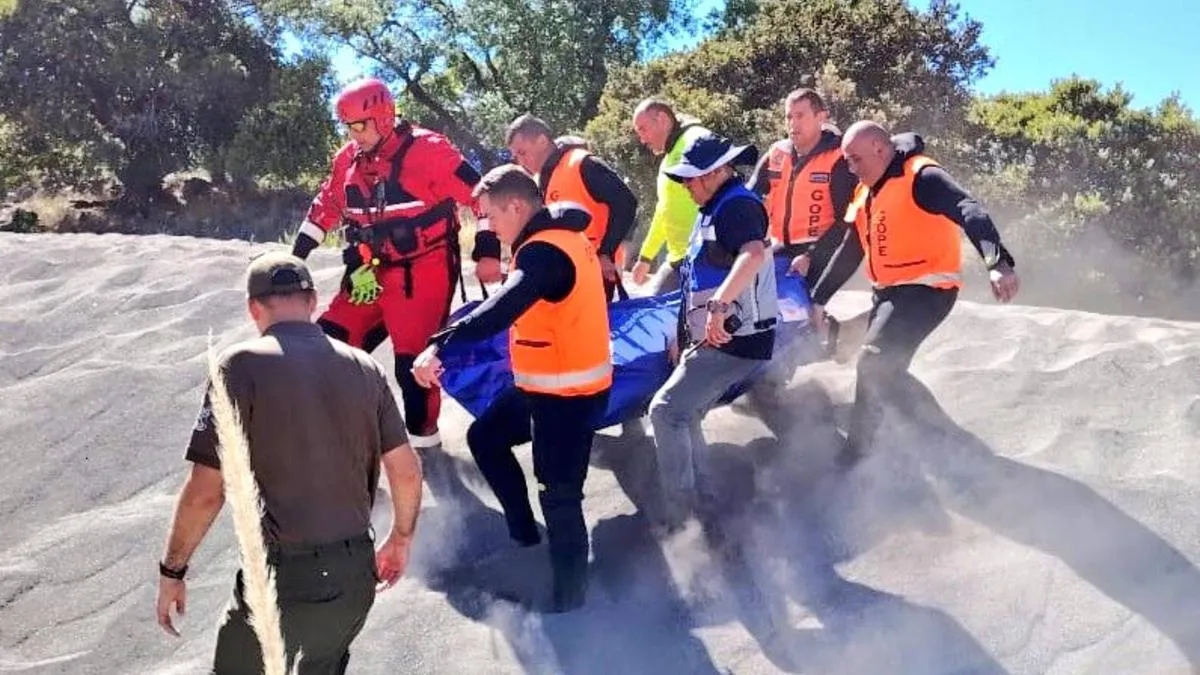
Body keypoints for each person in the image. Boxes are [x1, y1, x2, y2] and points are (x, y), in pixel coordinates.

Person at [155, 252, 423, 674]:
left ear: (253, 308)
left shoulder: (238, 367)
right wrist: (401, 537)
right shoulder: (366, 367)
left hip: (283, 578)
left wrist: (173, 569)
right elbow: (406, 469)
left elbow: (207, 492)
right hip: (354, 573)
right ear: (313, 301)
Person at [411, 165, 612, 613]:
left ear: (517, 206)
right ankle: (524, 534)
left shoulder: (544, 253)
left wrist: (440, 344)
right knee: (486, 436)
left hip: (569, 397)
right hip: (546, 387)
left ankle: (571, 603)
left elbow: (503, 308)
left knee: (560, 497)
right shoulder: (552, 238)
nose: (488, 228)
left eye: (490, 217)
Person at [288, 77, 502, 480]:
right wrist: (295, 257)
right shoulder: (348, 160)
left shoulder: (430, 151)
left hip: (424, 270)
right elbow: (326, 206)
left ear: (384, 118)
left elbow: (482, 194)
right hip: (370, 272)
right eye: (347, 127)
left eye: (359, 125)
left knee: (414, 367)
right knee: (324, 344)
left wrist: (488, 249)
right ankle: (343, 440)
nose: (353, 135)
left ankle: (429, 453)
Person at [804, 120, 1021, 466]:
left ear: (879, 148)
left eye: (856, 159)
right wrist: (819, 297)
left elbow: (970, 209)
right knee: (886, 369)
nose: (851, 168)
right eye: (847, 160)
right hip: (887, 294)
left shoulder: (921, 176)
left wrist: (997, 262)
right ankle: (941, 436)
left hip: (928, 290)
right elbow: (851, 251)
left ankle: (858, 456)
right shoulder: (866, 192)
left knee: (874, 363)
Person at [646, 131, 778, 532]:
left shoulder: (736, 206)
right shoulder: (715, 207)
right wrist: (683, 332)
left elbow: (752, 254)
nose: (686, 186)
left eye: (692, 178)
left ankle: (681, 520)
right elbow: (695, 278)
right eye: (684, 178)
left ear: (719, 171)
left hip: (738, 337)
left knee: (666, 412)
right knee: (686, 414)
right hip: (717, 334)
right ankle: (706, 504)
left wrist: (720, 307)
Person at [505, 113, 638, 301]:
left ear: (542, 141)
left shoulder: (583, 164)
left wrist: (606, 252)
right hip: (565, 272)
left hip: (594, 270)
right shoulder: (543, 178)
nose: (520, 161)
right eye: (516, 156)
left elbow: (626, 203)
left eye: (522, 153)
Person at [747, 88, 855, 293]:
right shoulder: (778, 153)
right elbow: (748, 197)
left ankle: (827, 322)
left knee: (797, 307)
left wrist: (811, 256)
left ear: (820, 117)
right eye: (789, 116)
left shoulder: (838, 158)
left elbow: (846, 221)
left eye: (800, 115)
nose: (792, 123)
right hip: (779, 247)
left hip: (821, 250)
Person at [630, 98, 712, 294]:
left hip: (705, 260)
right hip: (678, 260)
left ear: (663, 120)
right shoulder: (668, 158)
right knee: (652, 310)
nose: (642, 139)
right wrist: (646, 257)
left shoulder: (697, 139)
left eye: (643, 129)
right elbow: (664, 210)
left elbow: (722, 192)